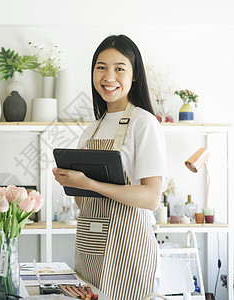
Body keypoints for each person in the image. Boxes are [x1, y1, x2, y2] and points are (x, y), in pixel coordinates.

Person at [52, 35, 168, 299]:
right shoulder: (91, 130)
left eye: (119, 68)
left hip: (128, 251)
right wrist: (71, 181)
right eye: (101, 67)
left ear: (135, 75)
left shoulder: (144, 124)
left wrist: (89, 183)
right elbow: (87, 205)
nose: (109, 76)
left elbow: (150, 198)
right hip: (90, 248)